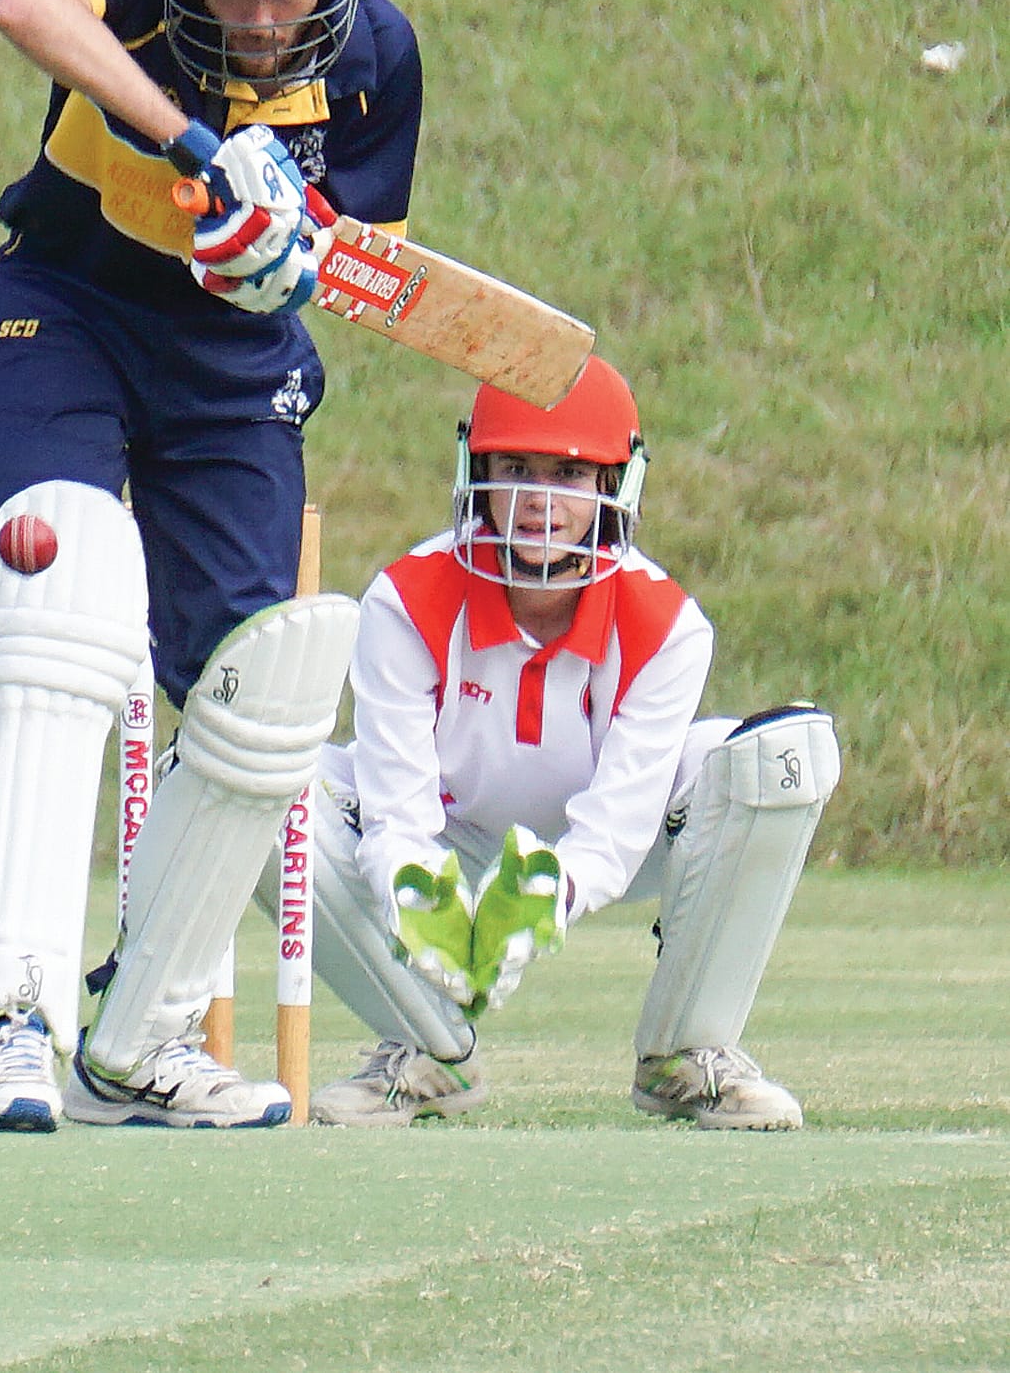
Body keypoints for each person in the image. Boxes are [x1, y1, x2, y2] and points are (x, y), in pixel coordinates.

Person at [0, 0, 422, 1132]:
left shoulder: (377, 58)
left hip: (233, 363)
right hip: (69, 310)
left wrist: (294, 258)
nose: (258, 13)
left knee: (261, 679)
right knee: (57, 576)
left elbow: (364, 251)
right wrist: (190, 143)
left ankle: (143, 1036)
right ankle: (8, 1023)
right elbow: (27, 3)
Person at [266, 355, 842, 1130]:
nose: (538, 502)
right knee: (259, 786)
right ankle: (426, 1047)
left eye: (568, 476)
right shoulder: (407, 599)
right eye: (516, 469)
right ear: (477, 472)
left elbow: (616, 829)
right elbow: (398, 812)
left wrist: (540, 896)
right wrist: (417, 892)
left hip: (622, 848)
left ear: (614, 488)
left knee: (785, 756)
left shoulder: (667, 625)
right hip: (452, 833)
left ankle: (687, 1054)